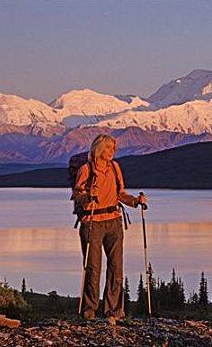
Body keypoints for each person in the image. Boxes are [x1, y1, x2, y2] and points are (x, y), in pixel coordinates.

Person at [72, 134, 146, 325]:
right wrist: (89, 196)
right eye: (108, 148)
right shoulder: (86, 170)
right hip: (92, 222)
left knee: (116, 267)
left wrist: (136, 202)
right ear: (99, 149)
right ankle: (89, 311)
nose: (112, 151)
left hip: (114, 221)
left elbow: (120, 194)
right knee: (93, 268)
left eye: (113, 148)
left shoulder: (115, 168)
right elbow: (76, 196)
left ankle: (114, 312)